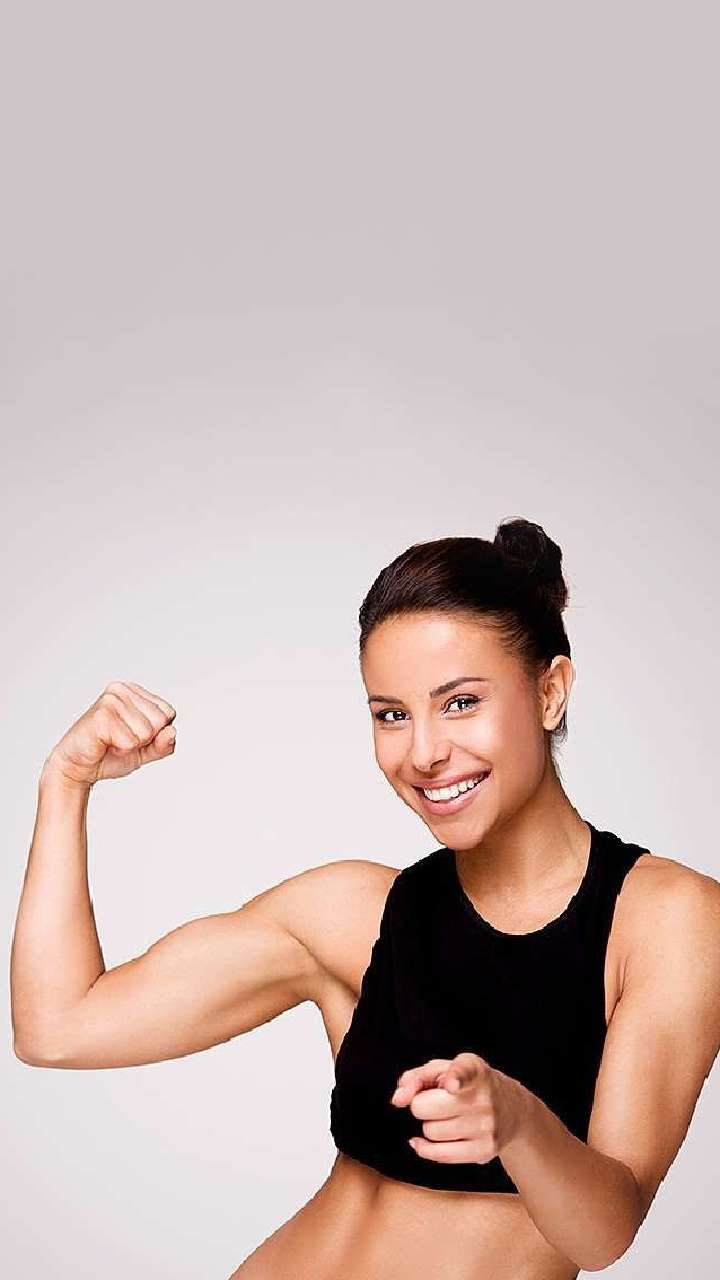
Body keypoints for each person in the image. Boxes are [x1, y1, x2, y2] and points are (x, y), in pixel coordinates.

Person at [11, 518, 720, 1280]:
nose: (424, 753)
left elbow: (604, 1234)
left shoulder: (664, 920)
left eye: (460, 702)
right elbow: (57, 1029)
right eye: (391, 714)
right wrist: (65, 784)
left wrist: (519, 1123)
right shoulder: (357, 914)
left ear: (550, 692)